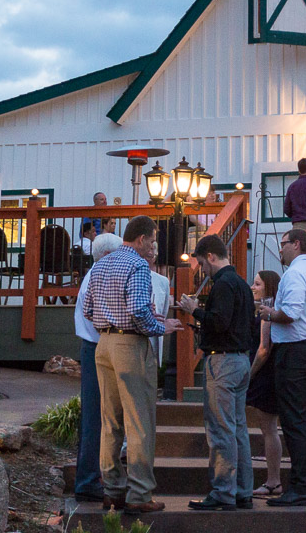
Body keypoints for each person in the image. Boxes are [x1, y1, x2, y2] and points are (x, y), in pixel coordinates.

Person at [80, 215, 185, 516]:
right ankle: (139, 493)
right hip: (130, 344)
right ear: (141, 239)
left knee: (109, 421)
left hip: (103, 345)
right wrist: (158, 326)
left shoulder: (100, 265)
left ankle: (112, 490)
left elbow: (87, 308)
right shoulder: (137, 265)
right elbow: (139, 308)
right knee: (139, 421)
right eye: (153, 241)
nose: (154, 247)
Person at [177, 235, 256, 512]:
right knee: (239, 429)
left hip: (222, 363)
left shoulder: (222, 284)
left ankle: (223, 492)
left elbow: (219, 323)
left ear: (210, 256)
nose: (202, 269)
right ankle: (243, 491)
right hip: (241, 360)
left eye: (201, 262)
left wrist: (194, 310)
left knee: (221, 430)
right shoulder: (243, 286)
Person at [261, 229, 306, 508]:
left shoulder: (296, 274)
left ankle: (300, 487)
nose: (280, 249)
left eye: (284, 244)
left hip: (295, 351)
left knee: (294, 422)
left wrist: (267, 313)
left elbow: (291, 312)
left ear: (297, 244)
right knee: (304, 420)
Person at [72, 232, 124, 503]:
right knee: (94, 416)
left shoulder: (94, 275)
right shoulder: (98, 278)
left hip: (94, 346)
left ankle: (91, 476)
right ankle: (89, 479)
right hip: (96, 348)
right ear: (106, 256)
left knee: (96, 417)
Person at [245, 269, 284, 499]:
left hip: (264, 375)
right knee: (267, 428)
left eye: (257, 283)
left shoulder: (265, 313)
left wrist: (248, 376)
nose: (253, 286)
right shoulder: (261, 311)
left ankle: (273, 480)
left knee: (269, 428)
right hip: (263, 375)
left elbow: (263, 348)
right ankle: (273, 479)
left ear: (268, 288)